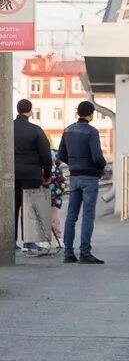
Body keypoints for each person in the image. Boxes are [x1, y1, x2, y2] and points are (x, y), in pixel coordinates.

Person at [57, 100, 108, 265]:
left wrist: (73, 163)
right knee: (87, 215)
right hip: (89, 178)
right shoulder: (91, 132)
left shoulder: (68, 130)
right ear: (91, 114)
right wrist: (102, 165)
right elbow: (97, 157)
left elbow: (61, 154)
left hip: (74, 177)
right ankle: (85, 253)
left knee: (71, 215)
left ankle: (68, 253)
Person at [14, 99, 52, 254]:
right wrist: (47, 174)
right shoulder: (36, 130)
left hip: (10, 174)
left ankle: (10, 242)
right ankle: (29, 242)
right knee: (30, 209)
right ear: (30, 111)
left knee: (12, 208)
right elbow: (46, 154)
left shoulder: (5, 127)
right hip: (31, 175)